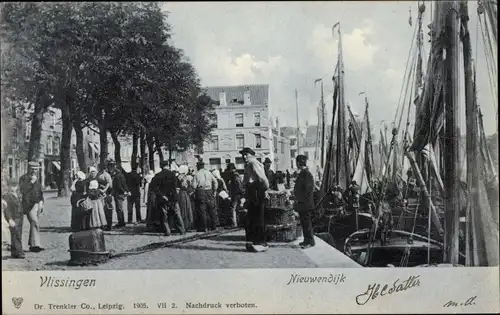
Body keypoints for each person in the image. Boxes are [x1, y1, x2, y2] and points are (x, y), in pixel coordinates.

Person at [241, 147, 270, 252]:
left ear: (252, 155)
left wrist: (265, 189)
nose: (244, 157)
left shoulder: (253, 163)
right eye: (243, 155)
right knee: (252, 218)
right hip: (252, 191)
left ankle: (260, 242)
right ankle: (254, 241)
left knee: (258, 217)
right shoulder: (248, 164)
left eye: (246, 155)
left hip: (256, 190)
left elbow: (262, 178)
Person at [152, 161, 185, 236]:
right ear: (168, 166)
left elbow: (154, 188)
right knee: (177, 214)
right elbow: (177, 186)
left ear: (161, 166)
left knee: (164, 216)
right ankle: (182, 230)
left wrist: (162, 195)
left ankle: (167, 231)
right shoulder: (173, 175)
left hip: (163, 198)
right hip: (173, 197)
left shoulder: (157, 175)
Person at [19, 161, 45, 252]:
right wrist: (31, 183)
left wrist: (42, 202)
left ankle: (33, 245)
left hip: (37, 204)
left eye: (36, 169)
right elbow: (23, 190)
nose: (34, 171)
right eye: (32, 169)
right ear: (29, 168)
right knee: (34, 222)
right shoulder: (23, 178)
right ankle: (36, 244)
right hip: (28, 204)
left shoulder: (37, 178)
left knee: (34, 223)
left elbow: (40, 192)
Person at [294, 154, 316, 248]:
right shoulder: (304, 173)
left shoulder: (305, 174)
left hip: (305, 203)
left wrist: (299, 199)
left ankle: (310, 241)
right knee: (304, 222)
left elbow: (307, 190)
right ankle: (306, 240)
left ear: (298, 163)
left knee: (306, 222)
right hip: (304, 203)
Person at [191, 161, 219, 232]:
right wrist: (214, 191)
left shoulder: (197, 174)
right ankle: (214, 226)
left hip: (200, 191)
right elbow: (215, 182)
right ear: (203, 166)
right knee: (212, 208)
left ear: (198, 166)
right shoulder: (209, 173)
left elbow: (194, 186)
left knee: (202, 209)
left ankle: (204, 227)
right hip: (209, 191)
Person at [3, 179, 25, 258]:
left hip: (20, 216)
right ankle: (20, 252)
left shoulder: (18, 194)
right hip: (13, 217)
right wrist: (9, 219)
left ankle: (14, 251)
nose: (13, 188)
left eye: (15, 186)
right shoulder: (6, 196)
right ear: (8, 186)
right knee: (16, 234)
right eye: (12, 186)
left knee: (18, 233)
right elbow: (6, 209)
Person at [109, 161, 129, 228]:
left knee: (119, 209)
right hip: (121, 194)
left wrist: (124, 191)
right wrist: (127, 191)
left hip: (118, 194)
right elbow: (125, 185)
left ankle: (121, 223)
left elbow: (119, 186)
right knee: (120, 208)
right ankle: (121, 222)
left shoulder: (117, 177)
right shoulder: (122, 175)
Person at [95, 164, 113, 230]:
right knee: (101, 210)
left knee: (107, 209)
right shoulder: (98, 174)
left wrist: (104, 190)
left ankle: (108, 225)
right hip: (100, 193)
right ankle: (103, 224)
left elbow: (109, 184)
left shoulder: (107, 175)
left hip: (107, 193)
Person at [226, 163, 244, 228]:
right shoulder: (237, 175)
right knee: (237, 208)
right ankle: (239, 222)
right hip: (238, 194)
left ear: (231, 169)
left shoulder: (234, 175)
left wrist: (240, 192)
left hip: (236, 194)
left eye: (229, 169)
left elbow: (238, 185)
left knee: (233, 208)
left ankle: (234, 223)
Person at [177, 165, 194, 231]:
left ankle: (182, 225)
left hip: (180, 194)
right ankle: (187, 225)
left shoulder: (178, 177)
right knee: (186, 209)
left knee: (182, 209)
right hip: (185, 194)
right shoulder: (185, 178)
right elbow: (188, 187)